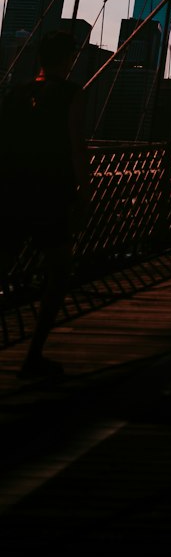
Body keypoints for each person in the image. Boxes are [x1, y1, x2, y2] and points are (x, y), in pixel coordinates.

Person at [0, 29, 90, 381]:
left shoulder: (15, 93)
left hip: (11, 191)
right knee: (58, 271)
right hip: (51, 193)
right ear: (69, 59)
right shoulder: (71, 94)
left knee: (2, 266)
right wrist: (85, 193)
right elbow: (76, 146)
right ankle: (34, 354)